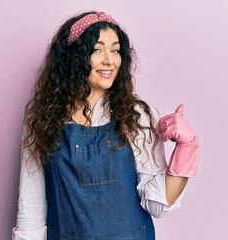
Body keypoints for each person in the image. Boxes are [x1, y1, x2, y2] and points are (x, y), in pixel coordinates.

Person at [12, 11, 199, 240]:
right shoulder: (43, 119)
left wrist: (187, 148)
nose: (109, 60)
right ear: (75, 55)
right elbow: (30, 205)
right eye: (97, 49)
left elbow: (157, 205)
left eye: (115, 50)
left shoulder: (136, 117)